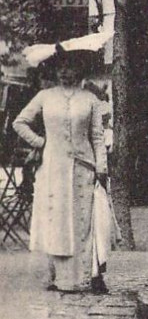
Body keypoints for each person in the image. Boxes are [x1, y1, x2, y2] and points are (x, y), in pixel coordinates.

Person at [13, 45, 108, 294]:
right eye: (61, 68)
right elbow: (19, 122)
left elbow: (97, 137)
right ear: (55, 71)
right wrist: (41, 143)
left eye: (71, 68)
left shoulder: (90, 99)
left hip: (83, 167)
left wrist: (101, 166)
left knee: (85, 221)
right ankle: (59, 278)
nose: (66, 73)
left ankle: (88, 277)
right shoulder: (45, 96)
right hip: (53, 167)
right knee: (58, 220)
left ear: (79, 70)